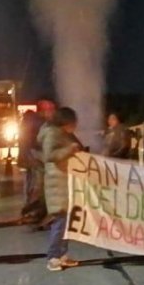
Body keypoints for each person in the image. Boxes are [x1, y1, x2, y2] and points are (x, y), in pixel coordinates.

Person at [40, 107, 85, 272]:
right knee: (59, 222)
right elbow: (49, 156)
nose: (75, 126)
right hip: (57, 184)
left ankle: (63, 255)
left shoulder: (63, 134)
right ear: (65, 122)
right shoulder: (52, 133)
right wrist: (70, 149)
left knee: (66, 222)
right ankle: (52, 257)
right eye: (73, 123)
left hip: (65, 182)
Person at [22, 99, 56, 227]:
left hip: (35, 158)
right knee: (39, 186)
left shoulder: (36, 122)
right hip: (37, 159)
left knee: (37, 186)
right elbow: (36, 143)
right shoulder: (41, 124)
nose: (52, 112)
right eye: (50, 109)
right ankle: (34, 213)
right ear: (43, 110)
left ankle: (34, 213)